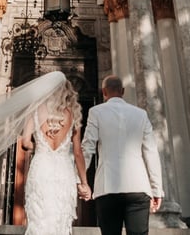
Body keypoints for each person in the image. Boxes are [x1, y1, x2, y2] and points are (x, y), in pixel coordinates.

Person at [81, 75, 163, 235]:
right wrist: (156, 190)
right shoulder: (141, 114)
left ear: (103, 91)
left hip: (107, 187)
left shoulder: (96, 112)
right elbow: (151, 152)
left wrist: (81, 181)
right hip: (138, 187)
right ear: (123, 91)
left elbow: (88, 148)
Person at [21, 79, 91, 235]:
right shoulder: (73, 115)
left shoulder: (35, 111)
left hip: (41, 167)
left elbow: (25, 142)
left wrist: (39, 147)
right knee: (61, 217)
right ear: (67, 92)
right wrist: (84, 183)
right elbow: (78, 152)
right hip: (63, 170)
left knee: (39, 217)